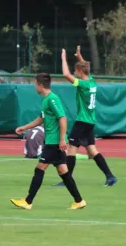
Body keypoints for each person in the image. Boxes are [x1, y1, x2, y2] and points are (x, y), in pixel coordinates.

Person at [10, 73, 86, 210]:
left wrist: (62, 139)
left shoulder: (52, 99)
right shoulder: (45, 100)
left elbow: (62, 118)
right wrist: (24, 127)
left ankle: (28, 201)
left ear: (40, 85)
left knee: (39, 168)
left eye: (35, 84)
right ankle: (79, 200)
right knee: (63, 171)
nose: (34, 87)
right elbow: (41, 119)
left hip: (54, 142)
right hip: (52, 141)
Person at [60, 46, 117, 187]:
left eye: (76, 71)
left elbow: (66, 75)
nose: (75, 73)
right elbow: (87, 68)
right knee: (91, 150)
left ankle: (67, 180)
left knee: (71, 149)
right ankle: (110, 176)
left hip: (82, 122)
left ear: (80, 71)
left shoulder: (84, 84)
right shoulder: (92, 82)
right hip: (90, 122)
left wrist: (63, 58)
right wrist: (79, 56)